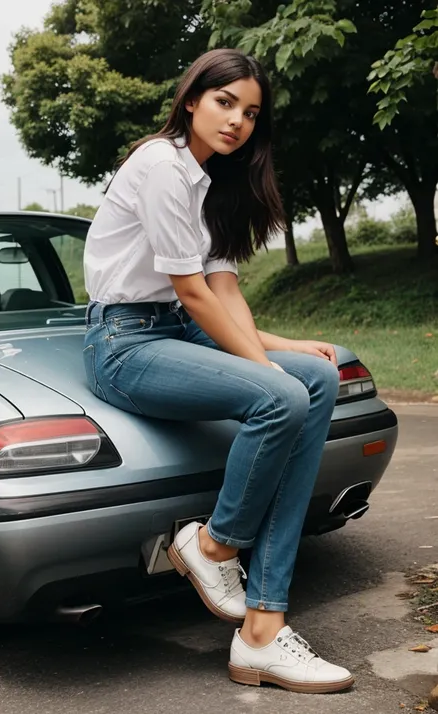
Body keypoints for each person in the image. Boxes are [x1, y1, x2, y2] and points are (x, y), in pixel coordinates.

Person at [83, 47, 354, 694]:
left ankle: (262, 630)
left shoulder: (215, 184)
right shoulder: (160, 164)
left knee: (314, 380)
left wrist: (280, 345)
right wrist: (271, 378)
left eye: (251, 113)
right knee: (284, 396)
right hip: (123, 343)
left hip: (174, 330)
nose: (237, 121)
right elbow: (192, 291)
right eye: (225, 102)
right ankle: (213, 547)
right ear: (192, 99)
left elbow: (222, 293)